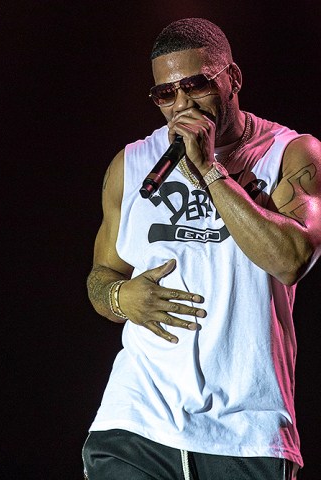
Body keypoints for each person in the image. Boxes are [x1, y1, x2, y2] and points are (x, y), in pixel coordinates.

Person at [82, 18, 321, 480]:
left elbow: (292, 261)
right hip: (137, 418)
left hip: (247, 430)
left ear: (232, 78)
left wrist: (211, 171)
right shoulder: (131, 164)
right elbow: (101, 276)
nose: (181, 105)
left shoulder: (293, 154)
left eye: (195, 86)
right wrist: (120, 298)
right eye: (164, 95)